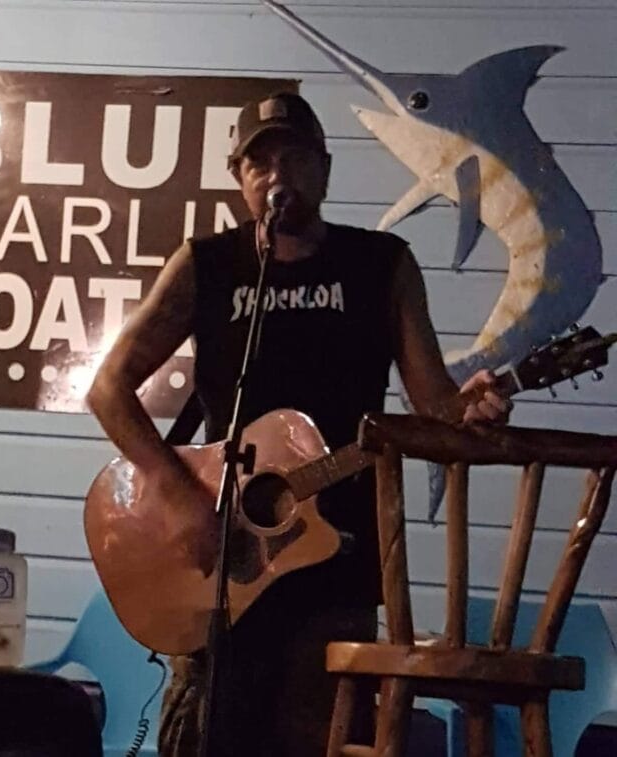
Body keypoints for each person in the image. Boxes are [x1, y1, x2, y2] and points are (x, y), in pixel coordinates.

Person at [87, 91, 510, 757]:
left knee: (319, 736)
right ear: (239, 180)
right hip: (228, 556)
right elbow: (109, 387)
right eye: (258, 162)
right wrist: (175, 493)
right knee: (210, 736)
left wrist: (475, 404)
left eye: (293, 156)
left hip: (337, 560)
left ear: (325, 169)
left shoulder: (382, 266)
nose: (275, 173)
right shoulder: (207, 267)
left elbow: (438, 406)